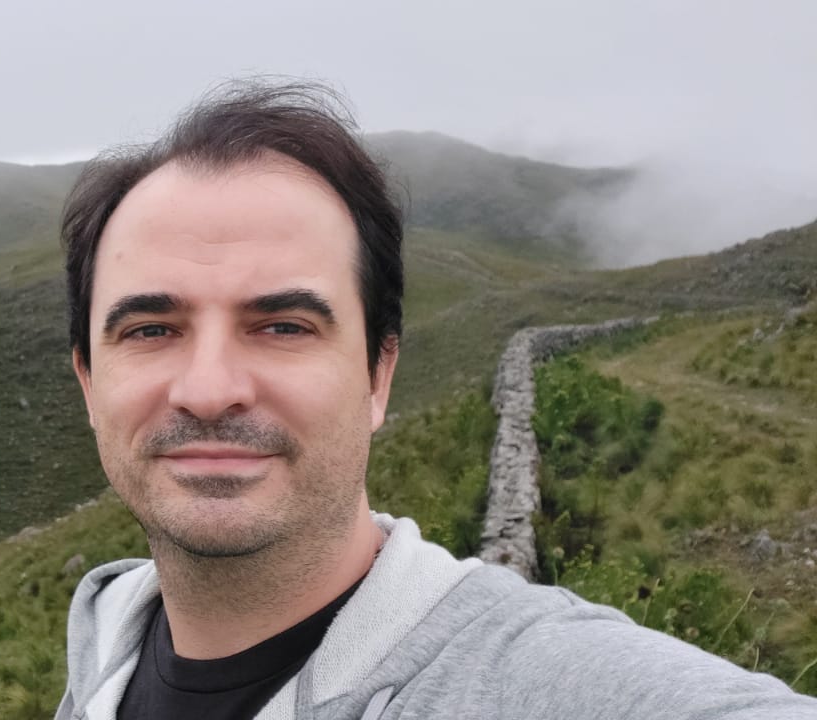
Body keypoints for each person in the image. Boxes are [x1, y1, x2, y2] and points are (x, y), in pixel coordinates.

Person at [52, 79, 817, 720]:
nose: (211, 390)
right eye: (150, 330)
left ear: (378, 375)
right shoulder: (106, 632)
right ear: (89, 381)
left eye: (283, 326)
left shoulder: (535, 679)